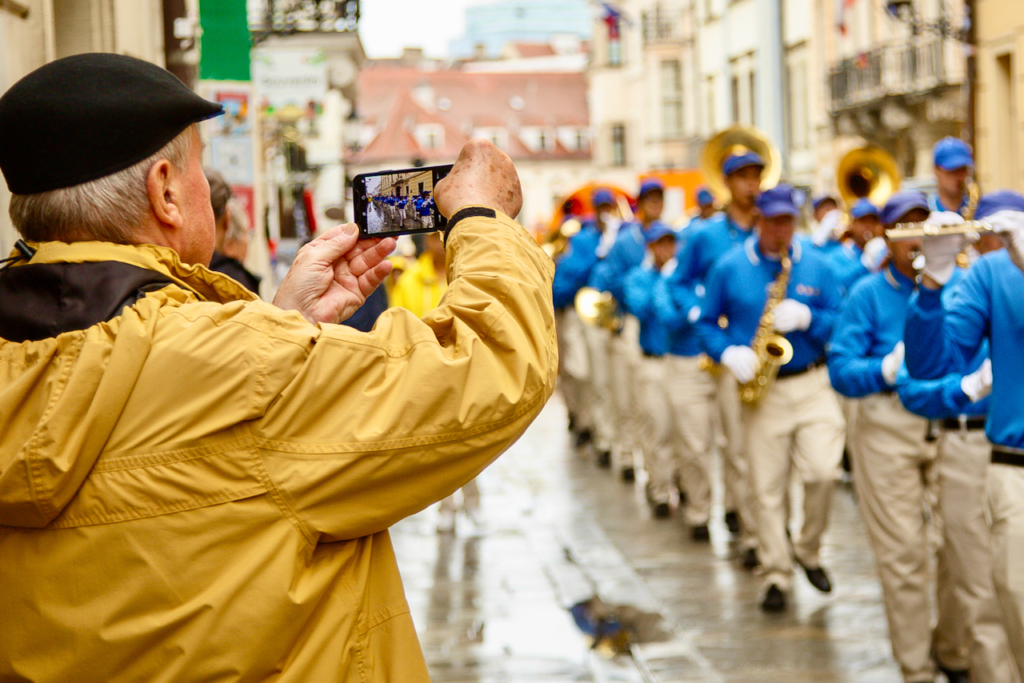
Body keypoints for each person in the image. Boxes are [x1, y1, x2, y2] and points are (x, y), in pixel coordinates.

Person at [0, 54, 555, 683]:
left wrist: (283, 324)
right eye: (200, 167)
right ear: (165, 192)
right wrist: (484, 221)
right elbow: (487, 368)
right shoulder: (241, 365)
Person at [828, 191, 968, 682]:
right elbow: (841, 369)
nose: (915, 240)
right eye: (905, 230)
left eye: (922, 228)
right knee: (903, 554)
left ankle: (953, 649)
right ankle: (916, 669)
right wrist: (880, 370)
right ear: (887, 238)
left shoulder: (957, 285)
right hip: (887, 424)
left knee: (960, 547)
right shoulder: (866, 293)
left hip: (948, 424)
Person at [697, 184, 844, 612]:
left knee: (822, 472)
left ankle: (809, 549)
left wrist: (809, 317)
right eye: (773, 221)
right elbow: (707, 323)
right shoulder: (729, 266)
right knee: (765, 488)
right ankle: (776, 572)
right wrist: (727, 350)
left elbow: (838, 320)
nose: (781, 230)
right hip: (762, 391)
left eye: (788, 222)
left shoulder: (817, 264)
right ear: (759, 220)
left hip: (813, 382)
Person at [906, 190, 1024, 679]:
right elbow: (935, 363)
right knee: (1013, 602)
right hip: (1013, 470)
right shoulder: (989, 273)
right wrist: (931, 286)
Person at [665, 151, 764, 566]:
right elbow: (679, 281)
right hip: (706, 351)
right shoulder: (706, 236)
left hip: (753, 356)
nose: (751, 185)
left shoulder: (770, 228)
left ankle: (748, 525)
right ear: (727, 183)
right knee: (696, 443)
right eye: (742, 177)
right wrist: (694, 309)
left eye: (756, 176)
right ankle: (700, 508)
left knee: (743, 449)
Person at [588, 178, 667, 481]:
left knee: (654, 407)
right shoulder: (625, 242)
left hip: (661, 326)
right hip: (631, 324)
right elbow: (607, 282)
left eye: (659, 199)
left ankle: (655, 470)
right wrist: (641, 276)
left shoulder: (671, 236)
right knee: (628, 398)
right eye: (650, 199)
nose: (655, 204)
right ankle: (626, 453)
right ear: (641, 204)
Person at [554, 188, 621, 461]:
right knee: (585, 375)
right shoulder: (582, 241)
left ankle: (605, 436)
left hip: (612, 316)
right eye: (602, 207)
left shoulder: (622, 235)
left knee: (607, 380)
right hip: (584, 315)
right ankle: (591, 425)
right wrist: (599, 255)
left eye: (610, 206)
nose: (606, 212)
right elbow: (565, 282)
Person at [825, 198, 887, 294]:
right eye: (863, 221)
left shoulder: (883, 251)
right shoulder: (837, 255)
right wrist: (865, 263)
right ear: (852, 224)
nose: (868, 226)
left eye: (873, 221)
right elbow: (837, 286)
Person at [929, 137, 974, 215]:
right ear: (936, 170)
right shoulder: (925, 210)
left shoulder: (977, 209)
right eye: (952, 170)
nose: (958, 177)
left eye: (963, 170)